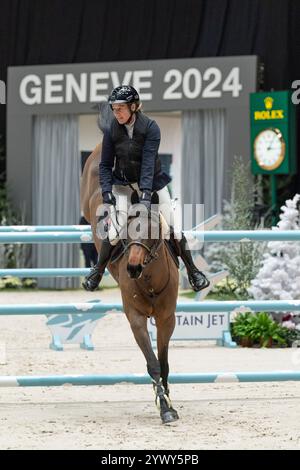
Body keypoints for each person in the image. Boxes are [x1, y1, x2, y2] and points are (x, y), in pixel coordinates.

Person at [82, 85, 209, 292]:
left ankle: (193, 271)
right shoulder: (112, 130)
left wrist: (146, 196)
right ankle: (97, 271)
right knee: (114, 231)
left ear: (134, 107)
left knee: (172, 227)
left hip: (153, 184)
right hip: (122, 186)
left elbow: (148, 165)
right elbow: (105, 165)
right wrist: (106, 191)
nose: (117, 113)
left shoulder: (150, 127)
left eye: (121, 108)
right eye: (114, 109)